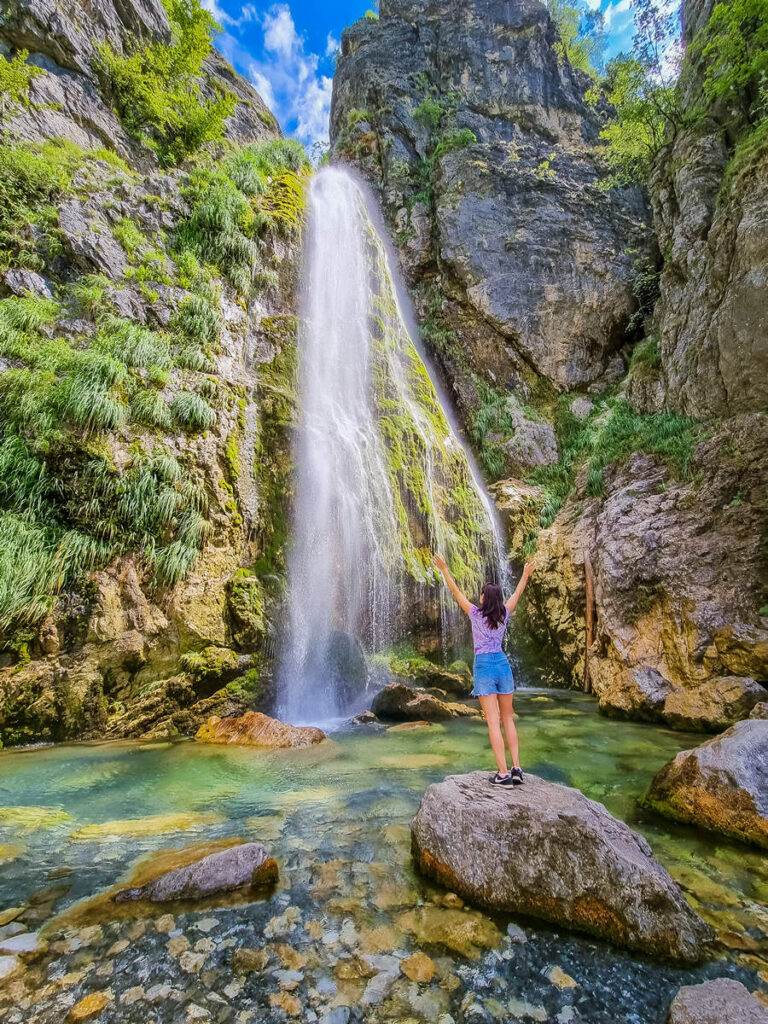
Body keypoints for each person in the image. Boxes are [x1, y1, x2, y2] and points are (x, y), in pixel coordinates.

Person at [433, 555, 536, 786]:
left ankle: (503, 774)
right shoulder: (504, 614)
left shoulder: (474, 614)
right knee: (508, 718)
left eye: (481, 594)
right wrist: (525, 575)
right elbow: (516, 594)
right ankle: (517, 768)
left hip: (484, 667)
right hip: (502, 663)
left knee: (493, 721)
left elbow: (455, 591)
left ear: (483, 598)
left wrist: (444, 569)